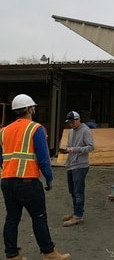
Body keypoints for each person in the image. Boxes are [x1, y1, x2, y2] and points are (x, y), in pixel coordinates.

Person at [0, 94, 71, 260]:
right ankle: (49, 252)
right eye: (33, 107)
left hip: (7, 181)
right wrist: (49, 179)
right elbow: (44, 159)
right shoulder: (35, 128)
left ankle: (12, 254)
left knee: (12, 218)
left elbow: (2, 156)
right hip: (28, 182)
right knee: (39, 217)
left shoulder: (4, 131)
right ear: (29, 109)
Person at [61, 111, 94, 227]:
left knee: (78, 190)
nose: (71, 124)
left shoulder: (86, 131)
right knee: (72, 190)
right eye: (69, 122)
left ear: (78, 119)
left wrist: (75, 149)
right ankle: (76, 212)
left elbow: (91, 147)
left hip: (81, 165)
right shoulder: (71, 132)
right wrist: (66, 149)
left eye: (72, 122)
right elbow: (70, 145)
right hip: (71, 164)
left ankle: (78, 215)